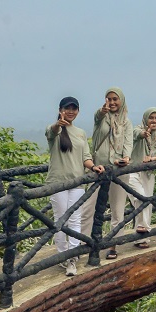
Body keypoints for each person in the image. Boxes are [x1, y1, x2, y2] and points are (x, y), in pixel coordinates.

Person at [46, 97, 103, 276]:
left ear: (78, 111)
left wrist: (94, 167)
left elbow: (85, 157)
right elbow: (51, 132)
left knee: (75, 219)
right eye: (67, 108)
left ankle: (72, 257)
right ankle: (63, 255)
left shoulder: (80, 133)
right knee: (60, 220)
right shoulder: (54, 130)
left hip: (77, 182)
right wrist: (58, 124)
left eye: (74, 108)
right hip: (58, 182)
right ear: (60, 109)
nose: (71, 111)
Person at [82, 87, 133, 260]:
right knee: (89, 207)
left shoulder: (126, 121)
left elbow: (128, 145)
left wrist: (125, 159)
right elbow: (98, 116)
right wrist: (101, 111)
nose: (111, 102)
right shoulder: (101, 117)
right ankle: (82, 245)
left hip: (118, 171)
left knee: (117, 210)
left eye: (115, 99)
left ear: (121, 100)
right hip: (98, 169)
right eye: (108, 99)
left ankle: (113, 245)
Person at [130, 107, 156, 248]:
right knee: (141, 198)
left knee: (147, 202)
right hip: (133, 171)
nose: (154, 121)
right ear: (145, 118)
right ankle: (144, 229)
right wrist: (144, 133)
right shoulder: (137, 129)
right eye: (151, 117)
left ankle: (141, 238)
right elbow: (136, 134)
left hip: (149, 173)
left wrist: (154, 158)